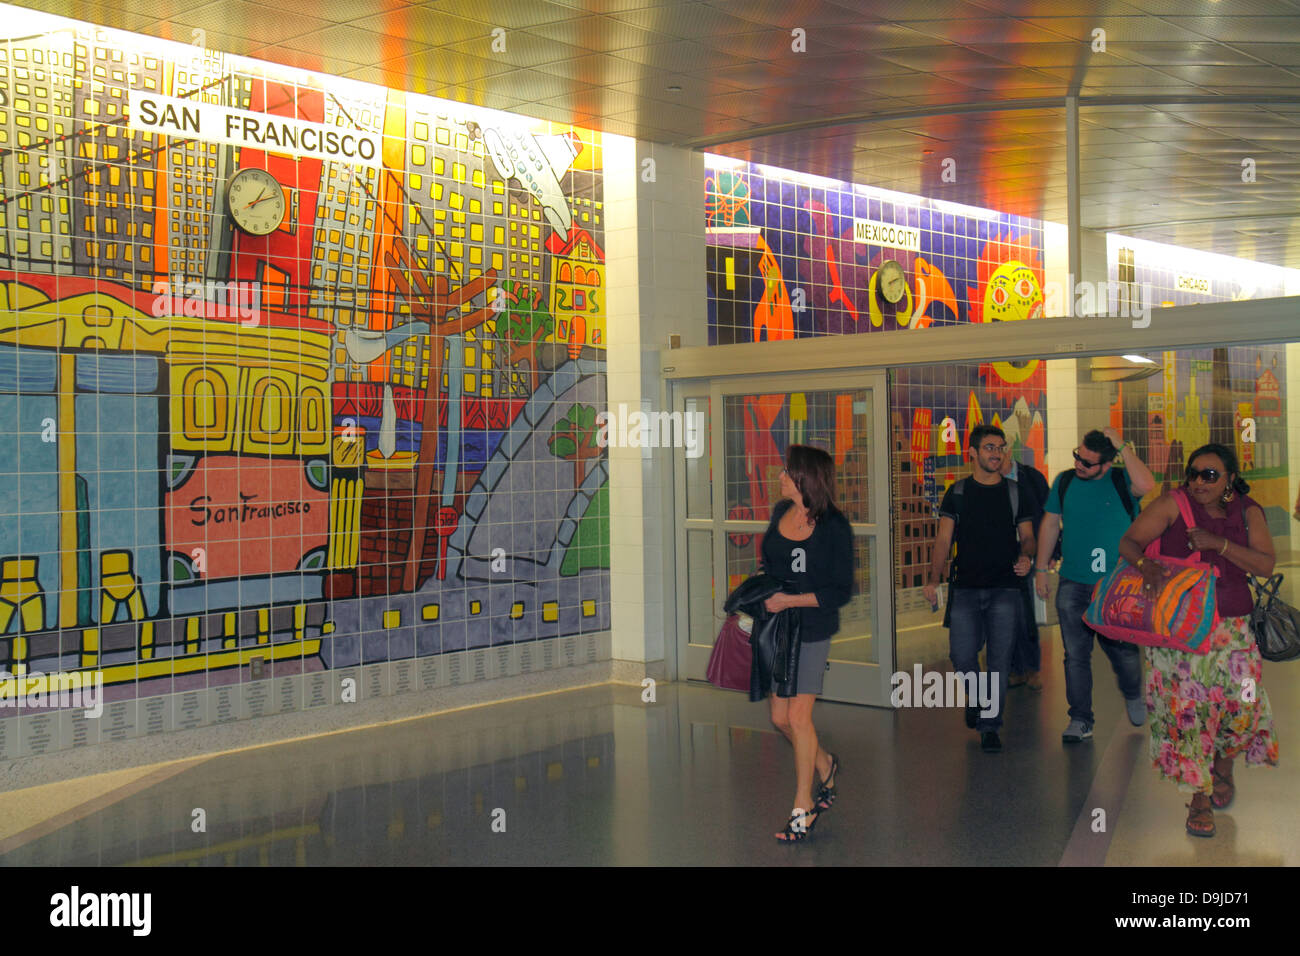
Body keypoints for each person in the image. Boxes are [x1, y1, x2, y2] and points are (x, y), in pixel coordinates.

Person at [1117, 443, 1278, 837]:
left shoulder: (1248, 511)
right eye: (1193, 474)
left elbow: (1265, 564)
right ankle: (1199, 799)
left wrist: (1218, 544)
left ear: (1229, 479)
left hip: (1235, 635)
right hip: (1181, 638)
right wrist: (1145, 566)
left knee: (1244, 705)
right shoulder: (1173, 504)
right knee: (1188, 717)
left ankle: (1223, 764)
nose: (1198, 482)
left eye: (1209, 475)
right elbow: (1129, 543)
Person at [1035, 427, 1155, 742]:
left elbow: (1147, 484)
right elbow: (1049, 524)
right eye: (1078, 457)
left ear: (1106, 464)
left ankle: (1132, 693)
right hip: (1072, 581)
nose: (1080, 465)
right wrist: (1040, 569)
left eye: (1088, 463)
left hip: (1116, 584)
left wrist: (1122, 445)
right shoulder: (1064, 482)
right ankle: (1080, 719)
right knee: (1075, 654)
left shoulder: (1121, 480)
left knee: (1124, 653)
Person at [761, 444, 854, 842]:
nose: (780, 476)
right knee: (779, 719)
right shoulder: (780, 515)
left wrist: (791, 600)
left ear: (805, 478)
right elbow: (770, 565)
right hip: (779, 628)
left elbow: (840, 590)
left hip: (813, 628)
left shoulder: (834, 527)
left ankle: (803, 808)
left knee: (799, 718)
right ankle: (826, 764)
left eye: (787, 471)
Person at [924, 425, 1035, 753]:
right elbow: (943, 539)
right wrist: (933, 579)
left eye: (1000, 448)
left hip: (1005, 588)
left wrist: (1027, 556)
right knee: (960, 654)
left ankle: (990, 725)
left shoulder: (1015, 492)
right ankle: (977, 695)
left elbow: (1027, 535)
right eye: (989, 447)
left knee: (999, 660)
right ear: (972, 453)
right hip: (966, 588)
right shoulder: (957, 493)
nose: (996, 454)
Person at [1002, 452, 1049, 690]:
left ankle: (1029, 669)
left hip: (1025, 553)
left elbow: (1048, 516)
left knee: (1023, 614)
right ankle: (1013, 669)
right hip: (998, 555)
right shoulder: (985, 480)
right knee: (1000, 616)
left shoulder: (1031, 478)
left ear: (1007, 452)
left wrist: (1049, 552)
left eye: (999, 450)